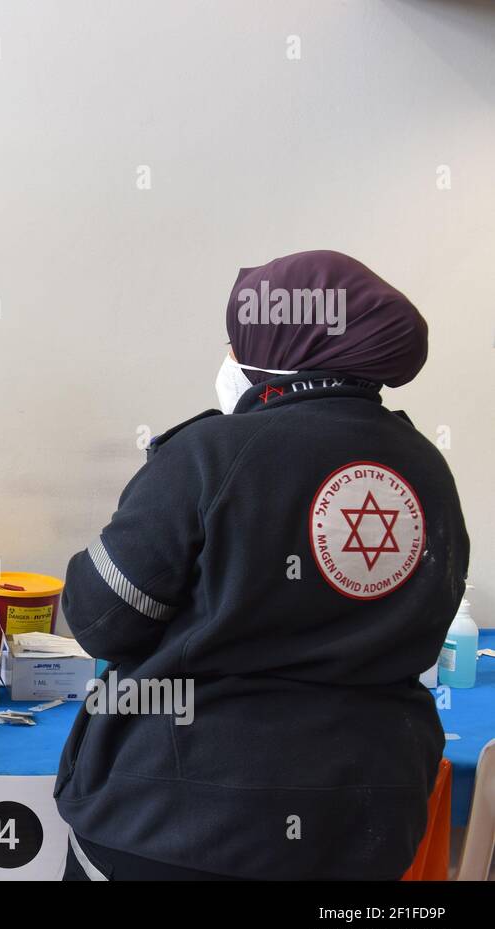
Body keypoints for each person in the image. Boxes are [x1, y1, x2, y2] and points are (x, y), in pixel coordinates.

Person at [55, 250, 469, 880]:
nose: (228, 356)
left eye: (234, 340)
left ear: (279, 339)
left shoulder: (211, 454)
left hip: (178, 818)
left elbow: (105, 617)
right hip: (362, 824)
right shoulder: (425, 468)